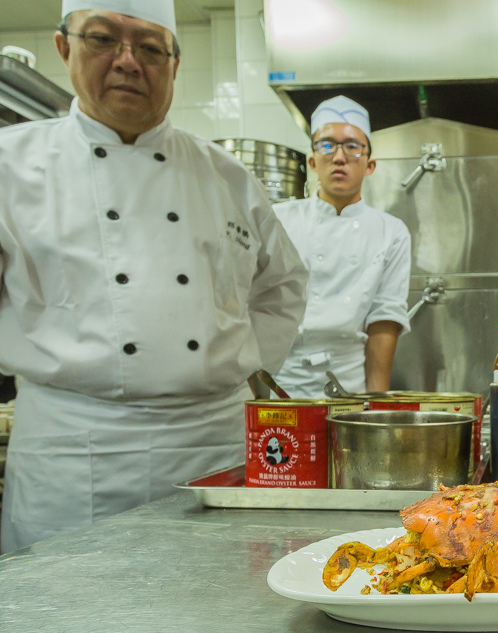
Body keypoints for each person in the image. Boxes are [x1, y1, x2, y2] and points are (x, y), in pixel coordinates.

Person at [0, 0, 308, 553]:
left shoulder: (227, 176)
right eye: (103, 40)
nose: (127, 61)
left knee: (219, 604)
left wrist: (224, 361)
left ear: (173, 63)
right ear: (64, 47)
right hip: (71, 454)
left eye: (149, 47)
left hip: (213, 443)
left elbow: (282, 285)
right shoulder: (9, 166)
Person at [273, 96, 411, 396]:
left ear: (370, 164)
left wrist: (376, 408)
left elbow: (383, 323)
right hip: (280, 383)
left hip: (349, 388)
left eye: (352, 146)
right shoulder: (278, 220)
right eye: (327, 145)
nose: (339, 157)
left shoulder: (391, 232)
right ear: (311, 161)